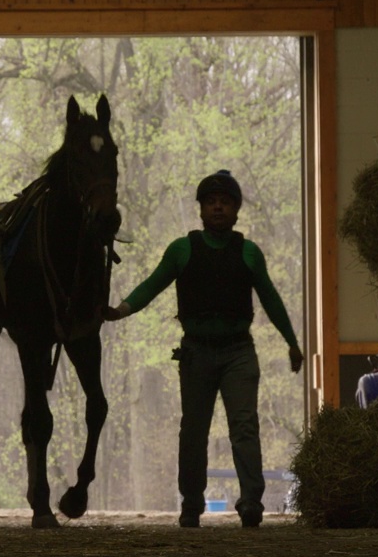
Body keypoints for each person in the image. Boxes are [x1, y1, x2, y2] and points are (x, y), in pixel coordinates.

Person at [103, 169, 303, 528]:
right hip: (196, 351)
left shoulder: (249, 253)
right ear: (201, 209)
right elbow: (153, 285)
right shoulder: (182, 250)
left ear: (237, 210)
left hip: (238, 351)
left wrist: (292, 343)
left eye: (225, 202)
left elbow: (271, 300)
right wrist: (121, 310)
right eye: (211, 202)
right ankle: (192, 501)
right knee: (193, 428)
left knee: (244, 425)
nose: (218, 208)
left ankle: (251, 501)